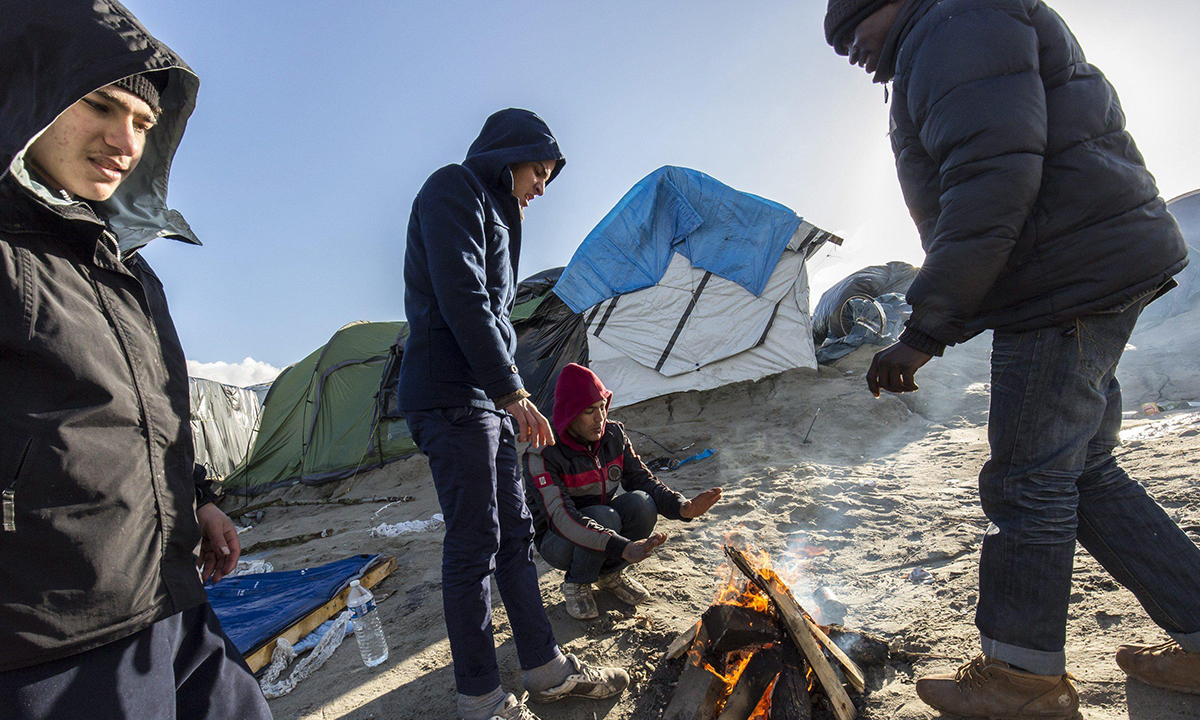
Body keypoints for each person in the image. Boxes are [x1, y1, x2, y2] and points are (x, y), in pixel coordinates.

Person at [824, 0, 1200, 716]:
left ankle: (1023, 680)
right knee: (1081, 471)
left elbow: (991, 183)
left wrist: (924, 331)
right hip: (1081, 271)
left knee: (1029, 479)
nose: (852, 53)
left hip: (1057, 286)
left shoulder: (952, 25)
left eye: (853, 32)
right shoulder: (956, 27)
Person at [0, 2, 271, 719]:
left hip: (169, 597)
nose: (125, 141)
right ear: (30, 91)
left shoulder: (124, 268)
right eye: (100, 105)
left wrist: (203, 495)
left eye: (145, 124)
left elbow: (156, 408)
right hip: (59, 634)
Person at [398, 109, 629, 720]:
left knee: (515, 536)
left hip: (486, 399)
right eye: (538, 170)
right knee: (474, 543)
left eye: (550, 176)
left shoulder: (500, 214)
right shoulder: (454, 188)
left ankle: (545, 668)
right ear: (508, 156)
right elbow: (463, 297)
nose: (542, 187)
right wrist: (514, 391)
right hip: (451, 395)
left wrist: (506, 394)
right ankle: (480, 698)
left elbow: (496, 315)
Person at [524, 363, 722, 620]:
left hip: (602, 526)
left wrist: (681, 507)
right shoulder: (543, 452)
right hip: (558, 541)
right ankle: (577, 583)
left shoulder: (613, 434)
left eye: (602, 408)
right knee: (604, 517)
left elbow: (641, 479)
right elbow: (561, 518)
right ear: (570, 414)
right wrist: (623, 547)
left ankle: (609, 574)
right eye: (589, 411)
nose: (600, 418)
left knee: (642, 503)